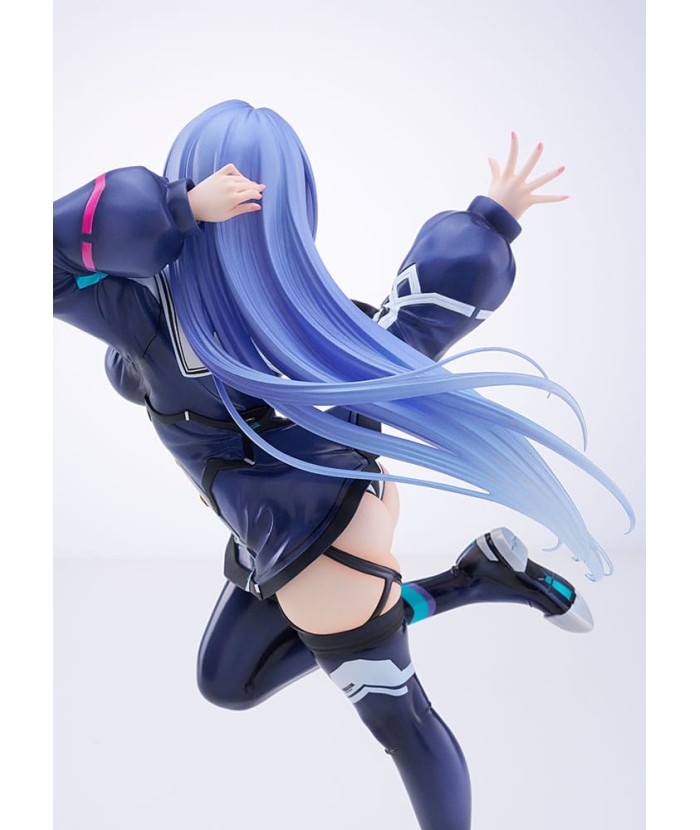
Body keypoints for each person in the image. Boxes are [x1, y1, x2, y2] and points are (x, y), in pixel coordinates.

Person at [53, 100, 633, 829]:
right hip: (272, 521)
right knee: (228, 681)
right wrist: (490, 221)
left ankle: (468, 585)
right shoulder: (157, 311)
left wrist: (493, 223)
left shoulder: (267, 321)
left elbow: (409, 332)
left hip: (320, 540)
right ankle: (477, 577)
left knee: (405, 727)